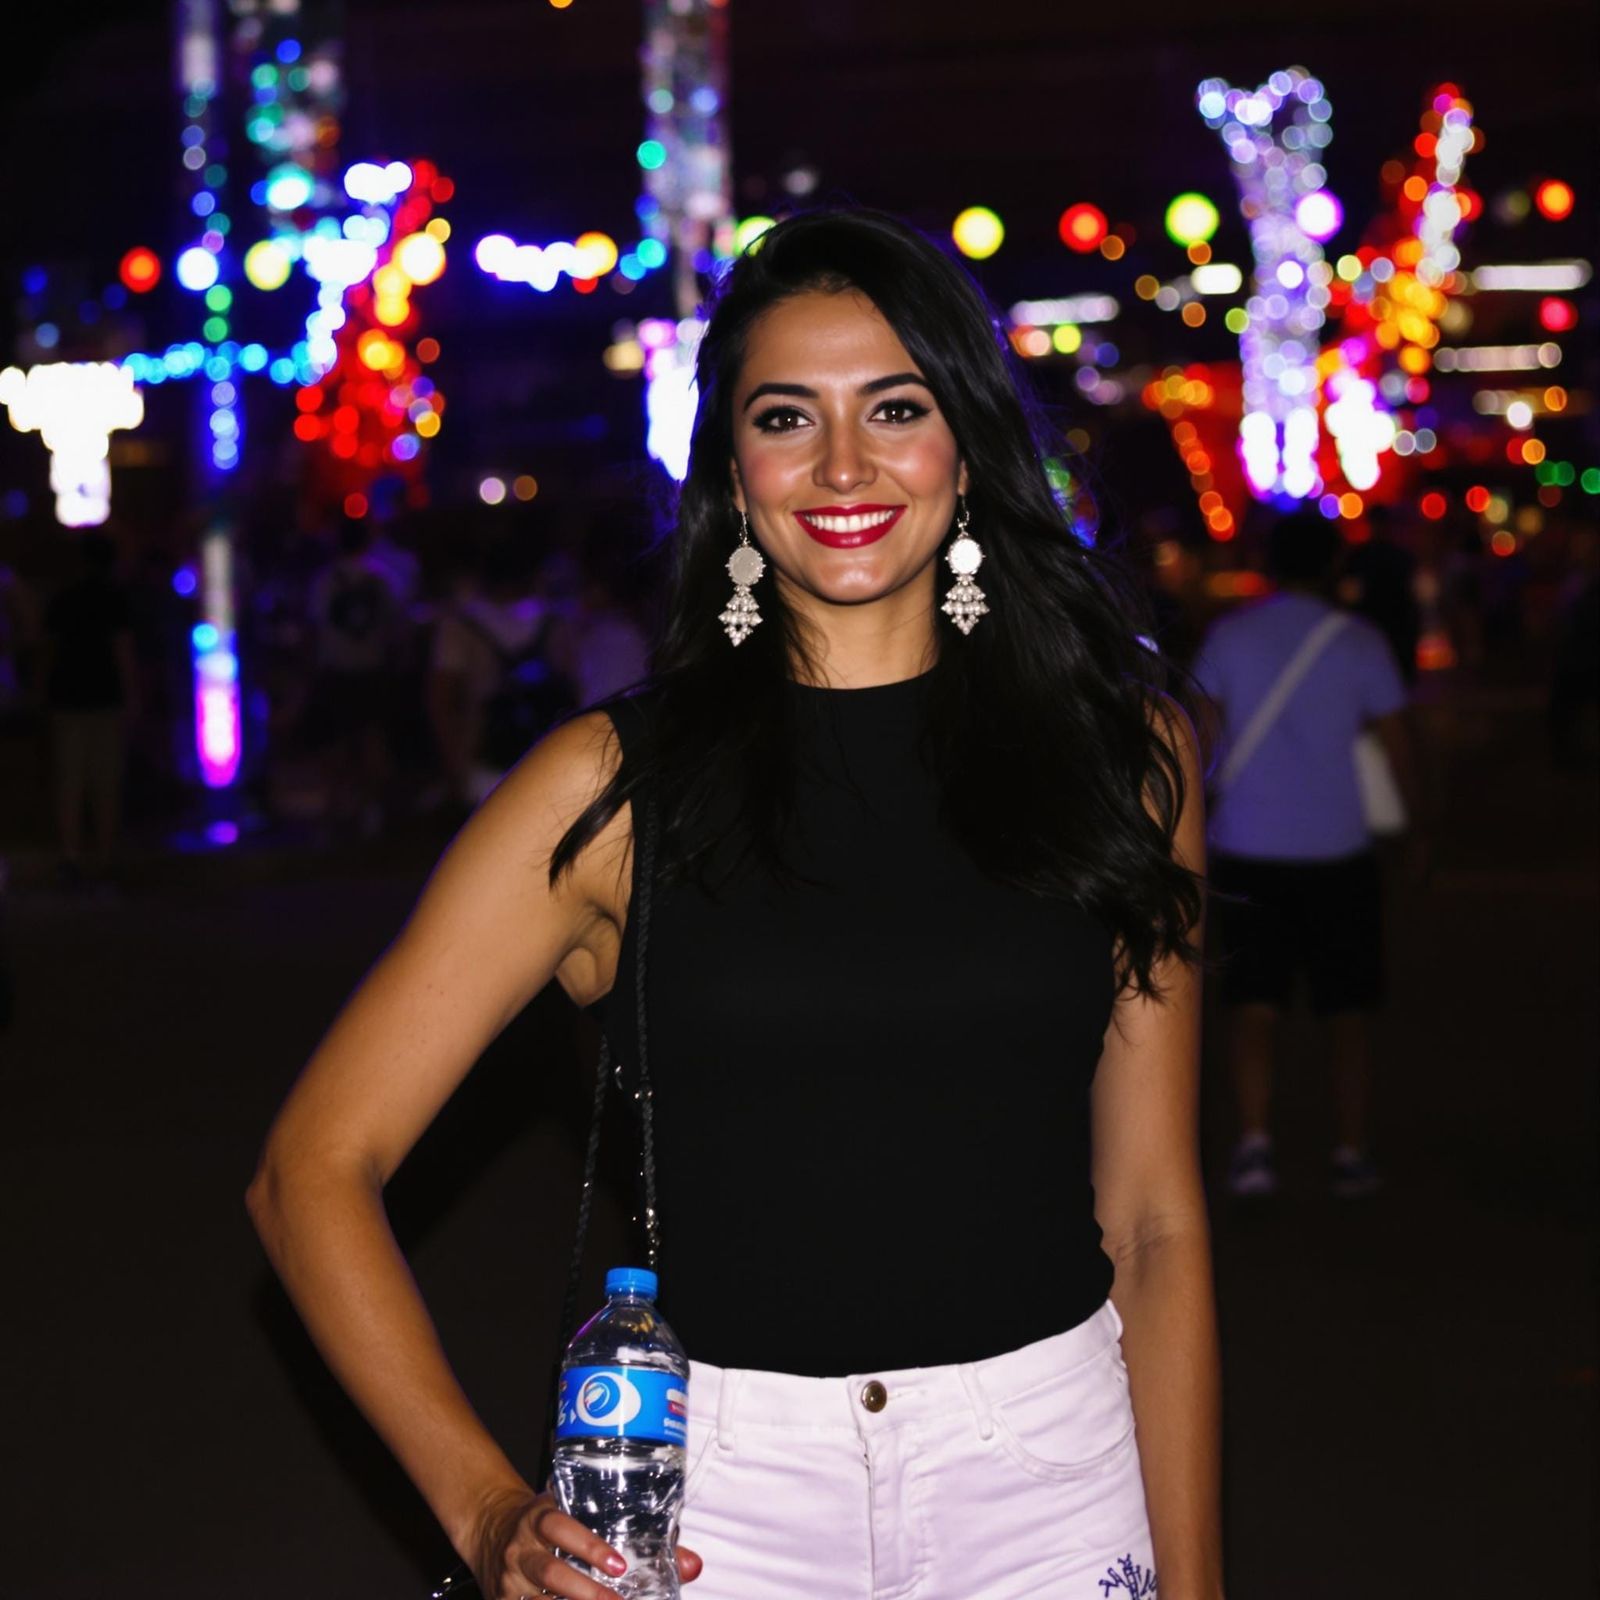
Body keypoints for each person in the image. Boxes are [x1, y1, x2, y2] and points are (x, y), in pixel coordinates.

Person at [249, 209, 1221, 1600]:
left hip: (1052, 1479)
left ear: (968, 445)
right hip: (720, 1510)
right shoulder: (610, 791)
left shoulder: (1120, 760)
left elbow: (1155, 1223)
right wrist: (481, 1514)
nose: (843, 465)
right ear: (732, 465)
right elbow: (311, 1169)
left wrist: (1195, 1583)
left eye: (896, 406)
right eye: (787, 416)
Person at [1196, 510, 1421, 1202]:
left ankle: (1254, 1146)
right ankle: (1350, 1150)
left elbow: (1200, 739)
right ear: (1332, 566)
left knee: (1253, 1003)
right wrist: (1416, 829)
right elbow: (1397, 743)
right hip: (1338, 847)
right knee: (1347, 1008)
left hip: (1247, 844)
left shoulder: (1229, 638)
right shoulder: (1359, 642)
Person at [43, 530, 139, 883]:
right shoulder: (114, 598)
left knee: (71, 779)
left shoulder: (63, 598)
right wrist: (132, 697)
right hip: (103, 697)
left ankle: (71, 854)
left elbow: (47, 649)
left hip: (68, 697)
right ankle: (105, 855)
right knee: (105, 779)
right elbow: (123, 650)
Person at [305, 519, 402, 834]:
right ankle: (373, 809)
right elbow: (395, 628)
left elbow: (315, 627)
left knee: (339, 742)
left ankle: (340, 808)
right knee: (373, 738)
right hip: (372, 669)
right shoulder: (382, 579)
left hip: (338, 670)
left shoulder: (325, 582)